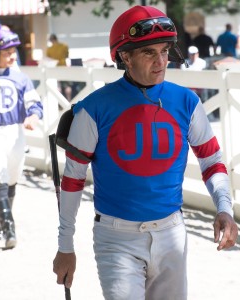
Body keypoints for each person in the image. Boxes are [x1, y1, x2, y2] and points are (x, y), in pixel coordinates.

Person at [53, 5, 238, 300]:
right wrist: (65, 246)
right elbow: (72, 179)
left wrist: (224, 209)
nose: (161, 61)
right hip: (116, 240)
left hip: (173, 234)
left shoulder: (187, 101)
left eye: (164, 51)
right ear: (125, 56)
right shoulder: (93, 108)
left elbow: (212, 161)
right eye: (149, 52)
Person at [0, 27, 43, 249]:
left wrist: (33, 116)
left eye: (14, 51)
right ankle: (10, 229)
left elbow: (34, 103)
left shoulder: (21, 79)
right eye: (7, 52)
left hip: (15, 134)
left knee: (12, 180)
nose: (12, 56)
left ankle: (3, 222)